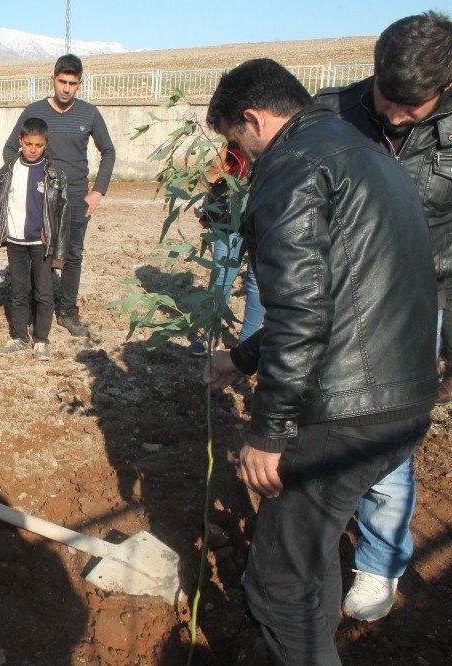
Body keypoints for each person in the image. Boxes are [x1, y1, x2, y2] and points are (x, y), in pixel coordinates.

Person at [203, 59, 437, 666]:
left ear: (253, 119)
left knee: (278, 583)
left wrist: (268, 432)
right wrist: (241, 357)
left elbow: (302, 314)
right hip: (404, 398)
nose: (241, 158)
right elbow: (343, 294)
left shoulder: (291, 169)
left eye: (235, 141)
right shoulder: (363, 153)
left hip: (347, 410)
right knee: (309, 554)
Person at [313, 10, 452, 623]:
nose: (395, 116)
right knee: (323, 419)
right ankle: (315, 535)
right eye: (387, 99)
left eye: (412, 106)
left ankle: (376, 563)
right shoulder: (328, 113)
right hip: (341, 298)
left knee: (388, 438)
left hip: (425, 303)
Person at [2, 54, 115, 337]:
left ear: (79, 84)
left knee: (72, 255)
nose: (66, 88)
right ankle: (30, 310)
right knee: (36, 253)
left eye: (72, 83)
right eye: (62, 81)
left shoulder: (89, 114)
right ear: (53, 79)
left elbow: (109, 152)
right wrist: (20, 182)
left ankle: (67, 311)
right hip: (39, 199)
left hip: (76, 197)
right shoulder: (34, 110)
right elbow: (8, 149)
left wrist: (98, 191)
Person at [0, 117, 70, 361]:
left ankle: (42, 340)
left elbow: (62, 212)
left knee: (44, 292)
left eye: (38, 145)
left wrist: (58, 248)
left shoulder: (54, 174)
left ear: (45, 143)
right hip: (15, 241)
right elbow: (0, 202)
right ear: (20, 142)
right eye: (28, 144)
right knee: (18, 291)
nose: (33, 149)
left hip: (41, 243)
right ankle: (19, 337)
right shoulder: (8, 171)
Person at [187, 146, 265, 356]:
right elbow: (221, 167)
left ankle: (246, 344)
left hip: (265, 213)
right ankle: (211, 334)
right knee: (221, 275)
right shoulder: (236, 129)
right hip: (229, 212)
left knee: (256, 281)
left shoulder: (285, 130)